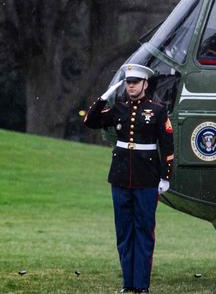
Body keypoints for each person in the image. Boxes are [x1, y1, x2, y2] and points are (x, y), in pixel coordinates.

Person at [83, 64, 174, 294]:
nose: (130, 86)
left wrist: (166, 176)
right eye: (128, 82)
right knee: (124, 232)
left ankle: (142, 285)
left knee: (143, 231)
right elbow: (90, 121)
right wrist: (104, 98)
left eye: (135, 82)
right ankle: (128, 284)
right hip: (121, 177)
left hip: (147, 178)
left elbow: (167, 146)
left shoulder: (157, 110)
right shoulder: (119, 108)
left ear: (145, 84)